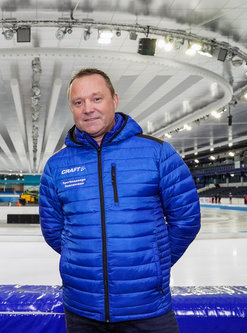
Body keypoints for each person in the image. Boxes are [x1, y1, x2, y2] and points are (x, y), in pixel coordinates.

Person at [39, 68, 201, 332]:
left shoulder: (157, 153)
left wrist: (153, 264)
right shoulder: (57, 166)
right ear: (71, 109)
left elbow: (187, 219)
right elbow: (53, 230)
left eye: (96, 99)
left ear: (114, 100)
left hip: (147, 308)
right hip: (82, 309)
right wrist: (84, 260)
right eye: (78, 102)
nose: (88, 108)